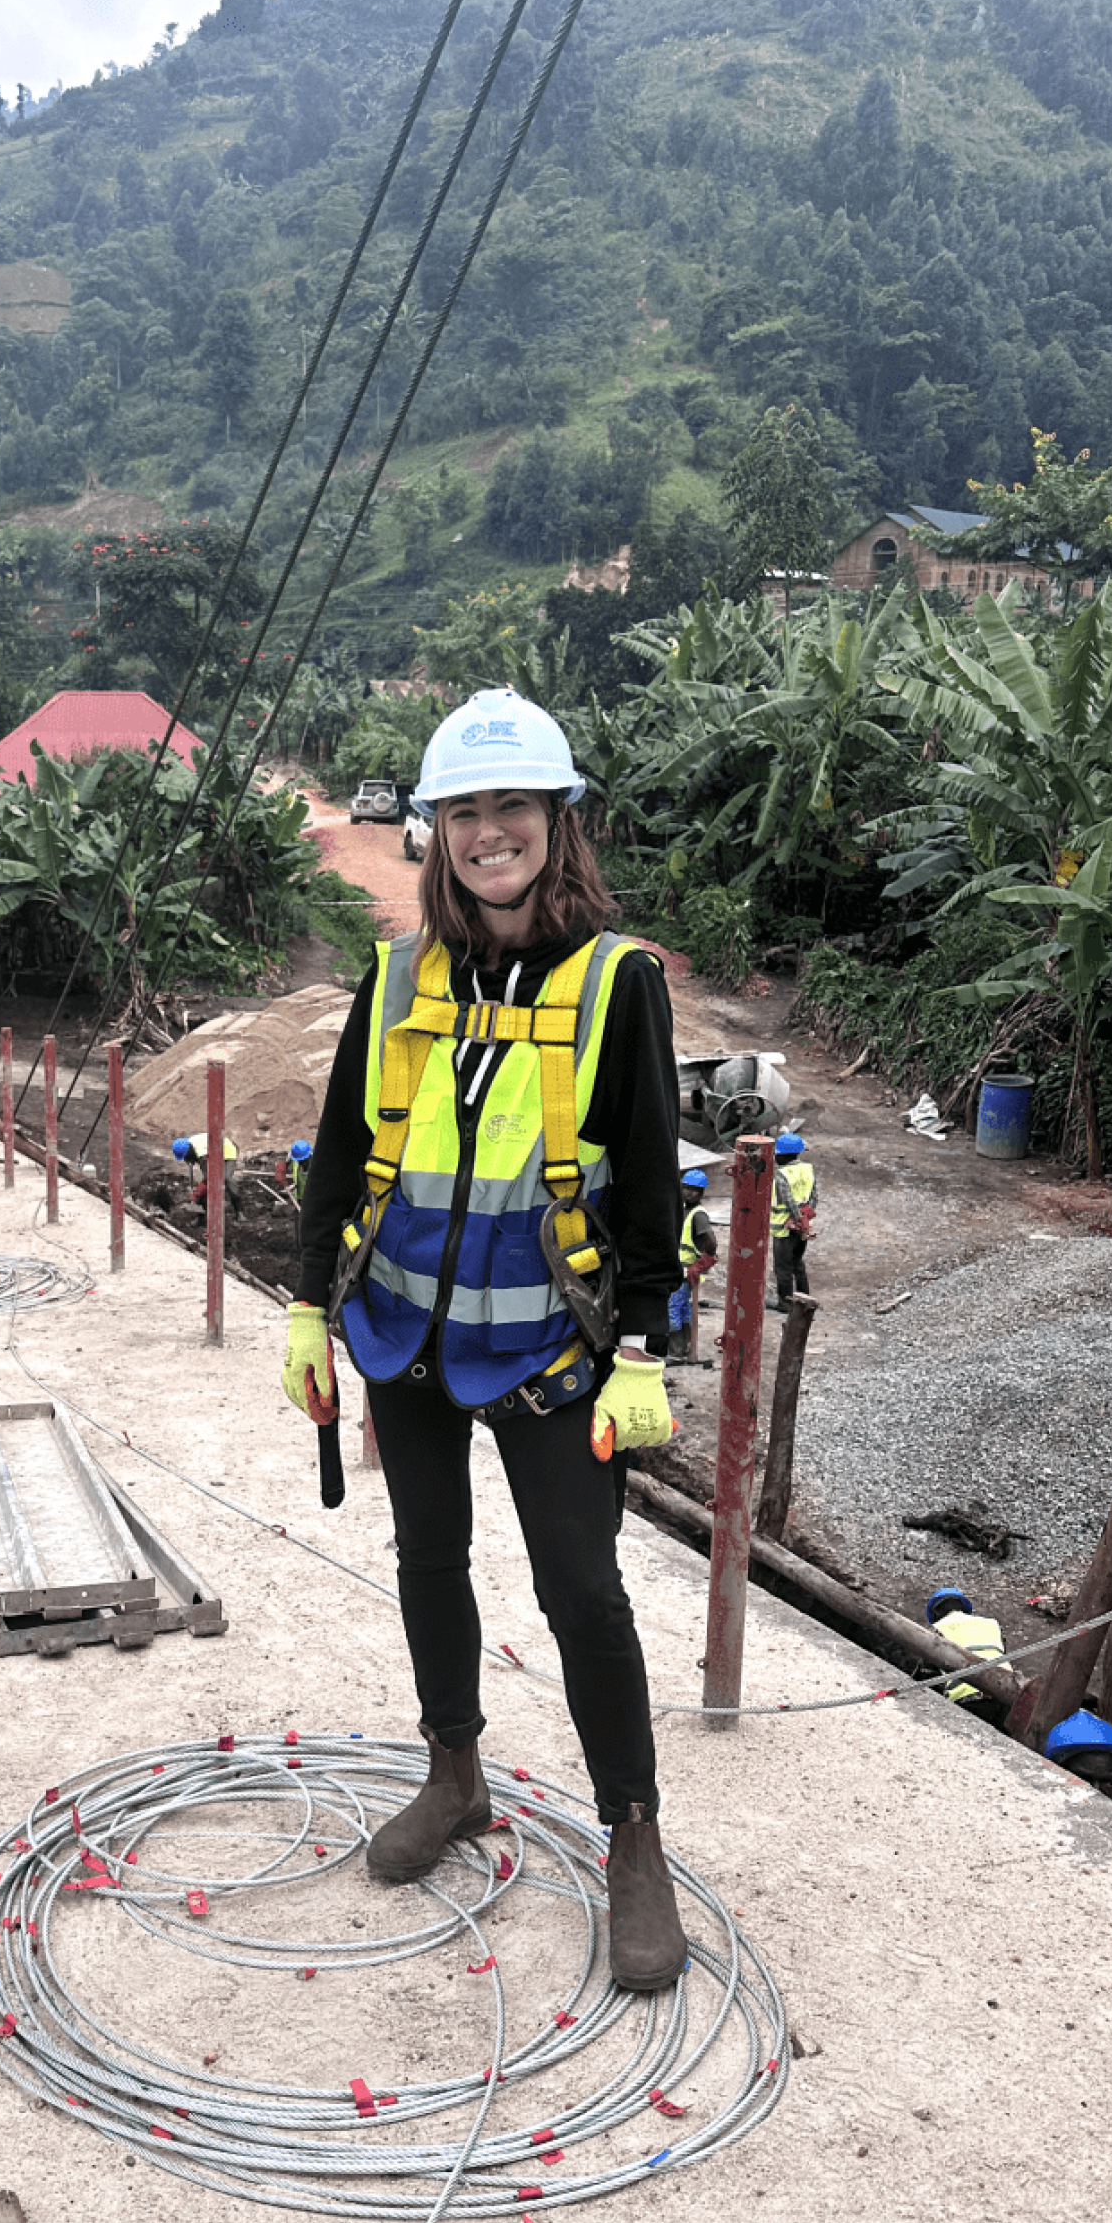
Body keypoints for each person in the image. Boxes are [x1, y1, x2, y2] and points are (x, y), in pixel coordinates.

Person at [280, 688, 690, 1992]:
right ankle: (453, 1769)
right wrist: (304, 1301)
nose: (488, 831)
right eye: (465, 810)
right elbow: (342, 1151)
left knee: (583, 1589)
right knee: (427, 1557)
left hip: (552, 1352)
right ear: (438, 832)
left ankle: (635, 1834)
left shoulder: (617, 983)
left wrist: (642, 1350)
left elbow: (644, 1196)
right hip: (401, 1335)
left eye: (513, 805)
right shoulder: (399, 976)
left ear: (555, 823)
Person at [924, 1585, 1006, 1713]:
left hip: (965, 1698)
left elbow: (926, 1674)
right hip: (1006, 1693)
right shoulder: (992, 1624)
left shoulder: (937, 1630)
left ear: (936, 1613)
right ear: (963, 1607)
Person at [668, 1167, 718, 1360]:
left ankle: (676, 1351)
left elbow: (711, 1242)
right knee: (682, 1308)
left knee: (673, 1308)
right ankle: (687, 1346)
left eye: (694, 1190)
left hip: (687, 1271)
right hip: (681, 1269)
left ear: (701, 1193)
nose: (688, 1192)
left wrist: (702, 1262)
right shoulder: (685, 1211)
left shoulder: (698, 1215)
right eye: (686, 1188)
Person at [769, 1131, 815, 1308]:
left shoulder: (781, 1174)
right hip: (802, 1225)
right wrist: (805, 1219)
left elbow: (788, 1200)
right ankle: (805, 1299)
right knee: (797, 1263)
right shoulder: (808, 1168)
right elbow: (814, 1196)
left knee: (782, 1267)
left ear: (782, 1156)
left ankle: (785, 1302)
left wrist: (795, 1219)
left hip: (784, 1228)